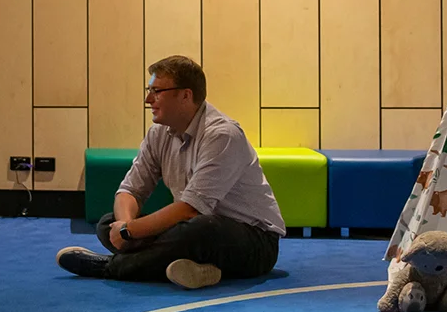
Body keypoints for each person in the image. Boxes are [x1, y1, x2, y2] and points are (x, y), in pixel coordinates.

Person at [56, 55, 286, 289]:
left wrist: (129, 232)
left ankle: (111, 267)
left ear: (185, 95)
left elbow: (190, 209)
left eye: (157, 91)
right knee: (109, 223)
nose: (148, 99)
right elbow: (130, 191)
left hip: (255, 242)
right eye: (149, 91)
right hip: (194, 229)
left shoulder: (222, 135)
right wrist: (124, 226)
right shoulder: (158, 133)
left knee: (200, 229)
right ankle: (197, 268)